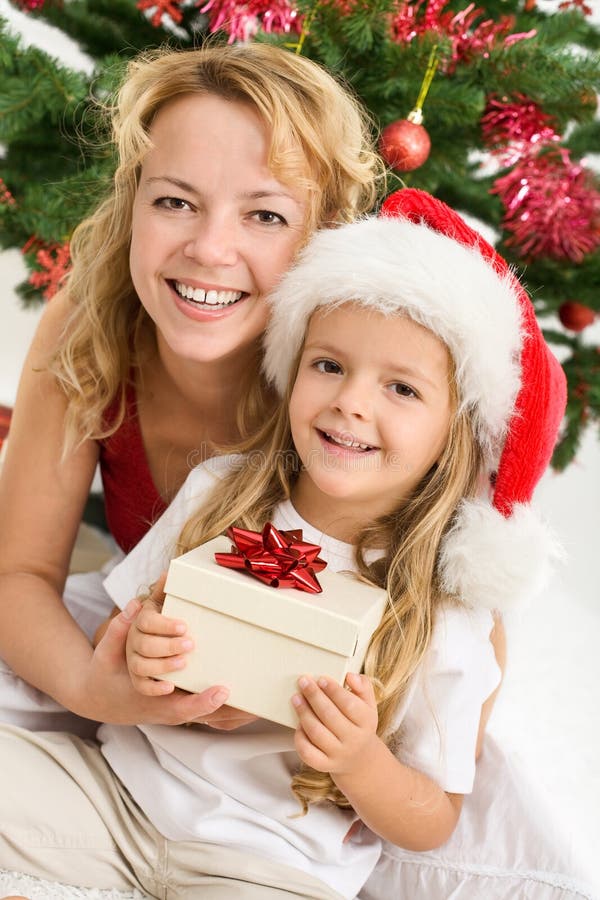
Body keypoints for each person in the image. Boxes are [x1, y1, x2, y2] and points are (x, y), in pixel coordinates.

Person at [0, 189, 566, 899]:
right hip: (117, 799)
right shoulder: (221, 491)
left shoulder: (442, 611)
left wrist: (360, 761)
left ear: (457, 432)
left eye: (401, 388)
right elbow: (125, 624)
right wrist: (146, 651)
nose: (352, 402)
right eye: (329, 365)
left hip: (270, 862)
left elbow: (434, 820)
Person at [0, 40, 382, 734]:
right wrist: (94, 690)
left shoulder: (353, 384)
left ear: (323, 236)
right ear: (133, 203)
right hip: (142, 666)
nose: (209, 249)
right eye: (176, 201)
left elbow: (458, 619)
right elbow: (18, 575)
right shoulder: (87, 332)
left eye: (265, 215)